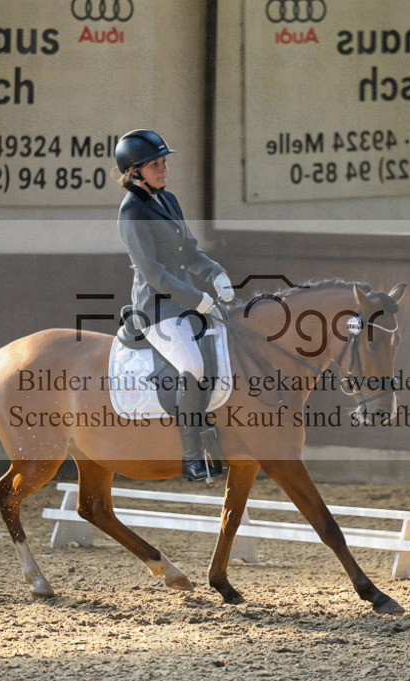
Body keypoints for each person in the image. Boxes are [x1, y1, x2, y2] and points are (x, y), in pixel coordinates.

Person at [113, 129, 235, 482]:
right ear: (134, 171)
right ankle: (192, 457)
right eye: (156, 165)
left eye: (164, 162)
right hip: (156, 309)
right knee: (193, 365)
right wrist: (198, 299)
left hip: (185, 302)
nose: (164, 169)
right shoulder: (131, 212)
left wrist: (215, 274)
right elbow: (154, 274)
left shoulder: (168, 200)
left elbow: (190, 252)